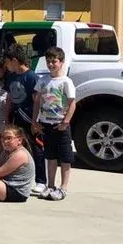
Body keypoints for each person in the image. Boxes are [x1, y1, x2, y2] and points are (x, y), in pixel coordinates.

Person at [33, 46, 77, 201]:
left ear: (62, 62)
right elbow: (37, 101)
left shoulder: (66, 82)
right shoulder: (43, 80)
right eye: (49, 61)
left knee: (65, 158)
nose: (51, 64)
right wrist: (35, 120)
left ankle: (63, 187)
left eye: (54, 61)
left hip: (60, 124)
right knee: (50, 157)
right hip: (46, 124)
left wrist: (65, 122)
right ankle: (50, 185)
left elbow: (72, 104)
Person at [3, 43, 46, 194]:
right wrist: (6, 118)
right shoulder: (11, 77)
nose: (6, 66)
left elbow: (37, 101)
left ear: (14, 60)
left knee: (36, 148)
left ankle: (41, 180)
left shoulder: (31, 77)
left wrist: (35, 121)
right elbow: (9, 98)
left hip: (29, 118)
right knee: (16, 148)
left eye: (7, 62)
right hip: (16, 117)